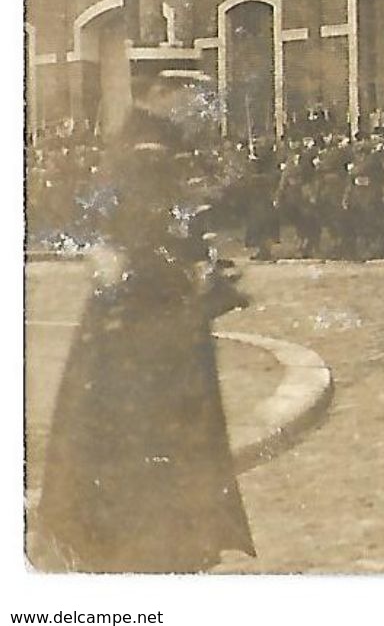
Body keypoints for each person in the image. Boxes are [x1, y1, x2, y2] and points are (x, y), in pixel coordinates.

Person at [34, 69, 255, 572]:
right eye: (184, 93)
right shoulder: (147, 150)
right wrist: (200, 281)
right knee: (150, 433)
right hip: (148, 324)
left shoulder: (147, 142)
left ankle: (147, 540)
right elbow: (142, 236)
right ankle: (148, 544)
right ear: (157, 92)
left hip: (142, 318)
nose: (191, 104)